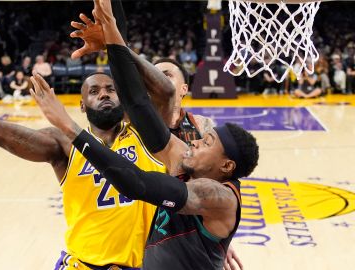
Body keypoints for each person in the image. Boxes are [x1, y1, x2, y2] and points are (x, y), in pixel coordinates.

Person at [0, 13, 181, 269]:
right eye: (94, 91)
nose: (103, 94)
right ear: (82, 105)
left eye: (110, 89)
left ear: (123, 97)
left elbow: (166, 93)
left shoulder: (147, 137)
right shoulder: (64, 145)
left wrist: (115, 45)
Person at [33, 1, 258, 269]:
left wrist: (70, 127)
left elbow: (135, 183)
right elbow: (137, 101)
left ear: (226, 165)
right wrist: (112, 34)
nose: (195, 140)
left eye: (206, 141)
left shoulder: (214, 194)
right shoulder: (180, 155)